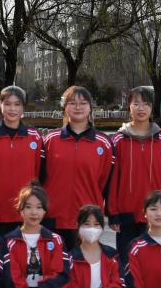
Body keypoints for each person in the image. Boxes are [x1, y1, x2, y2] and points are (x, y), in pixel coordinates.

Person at [108, 87, 161, 266]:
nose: (141, 108)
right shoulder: (118, 140)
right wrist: (113, 212)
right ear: (129, 107)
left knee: (153, 266)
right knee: (127, 265)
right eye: (136, 103)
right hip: (127, 213)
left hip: (157, 213)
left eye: (146, 104)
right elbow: (112, 179)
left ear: (152, 108)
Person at [41, 86, 112, 250]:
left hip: (88, 219)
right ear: (64, 107)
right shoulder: (50, 140)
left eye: (83, 103)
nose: (78, 107)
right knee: (54, 264)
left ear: (90, 107)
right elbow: (41, 177)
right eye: (72, 103)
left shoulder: (104, 143)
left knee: (84, 264)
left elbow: (105, 182)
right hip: (54, 217)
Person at [0, 85, 43, 237]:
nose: (12, 109)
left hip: (25, 209)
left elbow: (40, 173)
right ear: (0, 105)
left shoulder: (35, 136)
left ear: (23, 107)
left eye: (17, 104)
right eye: (7, 104)